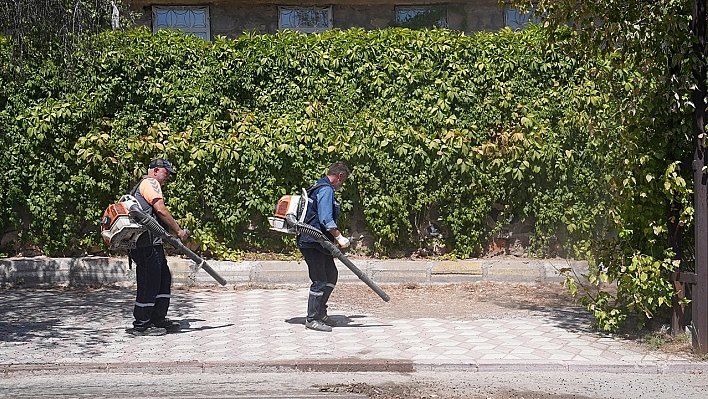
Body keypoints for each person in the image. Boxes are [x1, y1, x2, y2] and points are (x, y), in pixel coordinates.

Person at [128, 158, 188, 336]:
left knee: (163, 279)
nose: (167, 176)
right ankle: (141, 324)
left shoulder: (146, 184)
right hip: (145, 244)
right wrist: (178, 231)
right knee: (149, 282)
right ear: (155, 170)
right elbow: (160, 209)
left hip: (153, 243)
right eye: (166, 172)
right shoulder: (150, 183)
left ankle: (157, 318)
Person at [298, 161, 351, 332]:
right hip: (312, 242)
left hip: (320, 243)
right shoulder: (326, 189)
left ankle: (321, 313)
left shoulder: (319, 186)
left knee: (331, 275)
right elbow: (326, 219)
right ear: (340, 176)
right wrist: (339, 237)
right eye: (343, 181)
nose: (342, 185)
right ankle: (312, 318)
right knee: (320, 280)